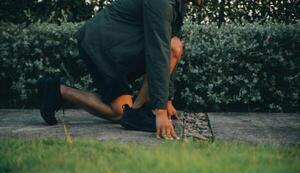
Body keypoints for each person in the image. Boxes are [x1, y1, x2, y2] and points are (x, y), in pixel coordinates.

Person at [37, 0, 204, 140]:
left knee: (119, 112)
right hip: (101, 46)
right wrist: (160, 110)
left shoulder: (178, 3)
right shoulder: (161, 2)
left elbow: (165, 49)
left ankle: (59, 91)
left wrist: (167, 99)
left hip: (120, 50)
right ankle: (137, 111)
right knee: (173, 46)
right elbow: (159, 50)